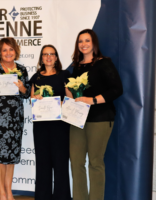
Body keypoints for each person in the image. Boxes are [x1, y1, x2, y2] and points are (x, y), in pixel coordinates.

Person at [66, 29, 123, 200]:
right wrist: (68, 92)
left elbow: (117, 89)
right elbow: (75, 94)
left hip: (100, 118)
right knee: (76, 163)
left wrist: (93, 100)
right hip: (78, 119)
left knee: (95, 162)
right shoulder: (76, 67)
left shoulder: (104, 63)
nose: (83, 44)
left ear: (94, 43)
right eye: (80, 41)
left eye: (87, 41)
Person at [0, 37, 30, 200]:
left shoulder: (22, 70)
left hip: (15, 119)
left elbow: (27, 94)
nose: (8, 53)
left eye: (11, 49)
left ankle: (9, 191)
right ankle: (1, 192)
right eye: (4, 50)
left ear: (15, 51)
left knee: (11, 156)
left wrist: (21, 86)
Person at [29, 45, 71, 200]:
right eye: (45, 54)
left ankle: (62, 197)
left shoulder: (64, 75)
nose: (48, 57)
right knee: (42, 164)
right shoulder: (36, 77)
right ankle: (42, 196)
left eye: (51, 54)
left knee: (60, 164)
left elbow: (70, 100)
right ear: (41, 58)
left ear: (56, 57)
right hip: (40, 127)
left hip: (60, 126)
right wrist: (36, 99)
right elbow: (32, 101)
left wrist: (62, 103)